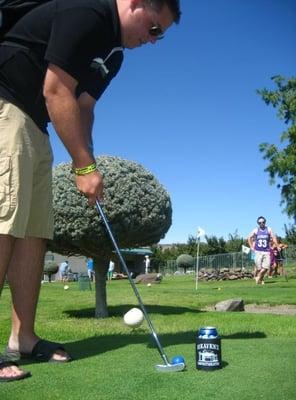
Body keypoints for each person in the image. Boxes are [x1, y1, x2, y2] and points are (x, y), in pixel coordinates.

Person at [0, 0, 181, 382]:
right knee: (4, 224)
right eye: (154, 28)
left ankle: (24, 338)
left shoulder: (115, 55)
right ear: (135, 4)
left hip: (35, 125)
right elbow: (56, 90)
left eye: (161, 36)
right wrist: (82, 166)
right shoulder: (87, 12)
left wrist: (90, 164)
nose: (153, 40)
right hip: (6, 105)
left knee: (34, 233)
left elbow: (83, 108)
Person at [248, 216, 278, 285]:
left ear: (265, 222)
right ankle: (260, 280)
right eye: (260, 222)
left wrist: (277, 245)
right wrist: (251, 246)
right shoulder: (255, 230)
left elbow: (273, 238)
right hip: (258, 251)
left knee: (266, 267)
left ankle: (258, 277)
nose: (261, 223)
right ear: (258, 223)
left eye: (263, 222)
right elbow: (249, 237)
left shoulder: (269, 229)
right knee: (259, 268)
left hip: (266, 251)